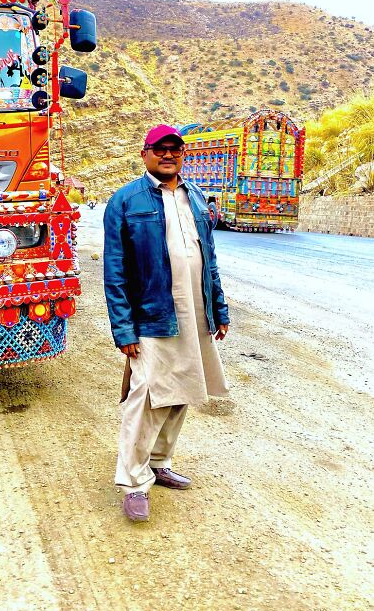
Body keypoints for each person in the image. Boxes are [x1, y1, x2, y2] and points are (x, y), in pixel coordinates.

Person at [103, 124, 230, 523]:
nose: (167, 155)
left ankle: (158, 462)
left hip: (195, 312)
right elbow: (115, 271)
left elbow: (208, 258)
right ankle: (133, 482)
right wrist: (124, 330)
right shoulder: (125, 201)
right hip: (151, 317)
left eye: (175, 149)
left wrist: (219, 309)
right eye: (160, 149)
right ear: (145, 154)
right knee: (145, 399)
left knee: (182, 391)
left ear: (183, 155)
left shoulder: (195, 197)